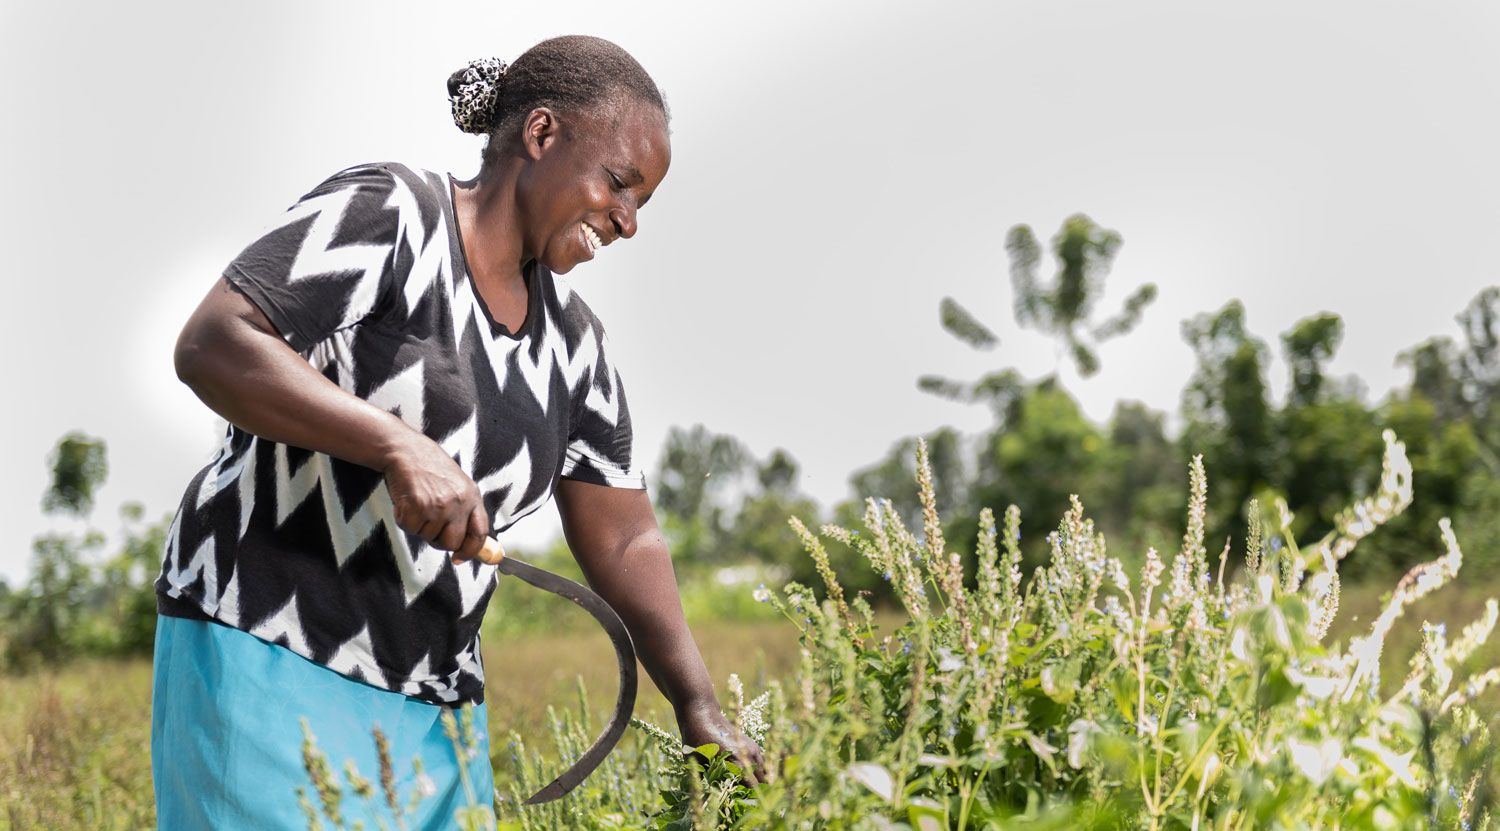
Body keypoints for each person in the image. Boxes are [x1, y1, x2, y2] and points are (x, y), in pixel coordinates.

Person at [152, 34, 764, 828]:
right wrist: (396, 445)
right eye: (620, 184)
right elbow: (214, 343)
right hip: (266, 652)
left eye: (642, 203)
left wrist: (697, 700)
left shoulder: (575, 346)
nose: (628, 220)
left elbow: (624, 537)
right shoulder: (391, 218)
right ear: (542, 135)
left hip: (433, 707)